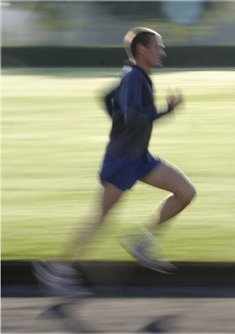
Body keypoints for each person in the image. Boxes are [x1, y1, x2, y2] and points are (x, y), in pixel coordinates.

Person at [34, 27, 196, 297]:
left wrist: (119, 118)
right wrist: (167, 109)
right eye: (157, 46)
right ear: (142, 50)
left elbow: (105, 97)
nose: (162, 52)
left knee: (185, 192)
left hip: (139, 157)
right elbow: (134, 117)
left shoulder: (135, 75)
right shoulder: (134, 78)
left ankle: (141, 242)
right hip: (123, 159)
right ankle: (57, 268)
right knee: (100, 218)